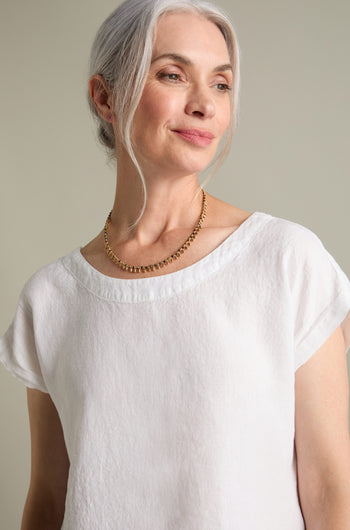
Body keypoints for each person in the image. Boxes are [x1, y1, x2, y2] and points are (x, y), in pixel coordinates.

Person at [1, 0, 350, 528]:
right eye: (173, 74)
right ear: (105, 97)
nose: (205, 105)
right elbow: (49, 501)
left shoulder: (285, 261)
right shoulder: (50, 298)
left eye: (221, 84)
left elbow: (330, 491)